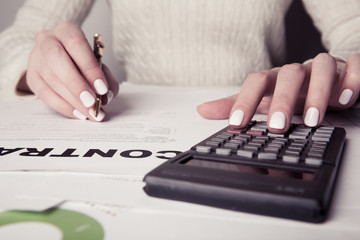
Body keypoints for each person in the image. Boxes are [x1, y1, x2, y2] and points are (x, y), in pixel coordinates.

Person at [0, 0, 359, 133]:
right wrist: (37, 66)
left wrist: (341, 70)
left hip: (262, 124)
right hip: (137, 132)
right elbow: (16, 40)